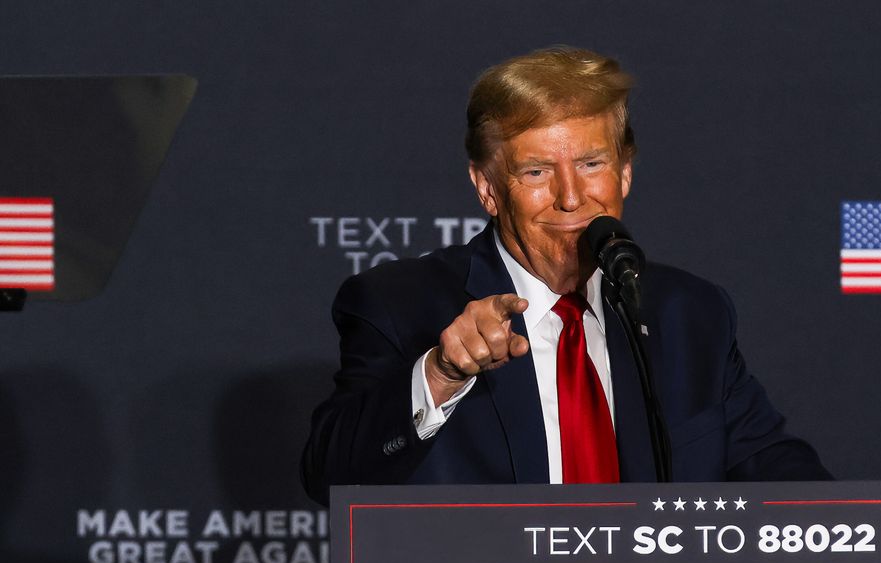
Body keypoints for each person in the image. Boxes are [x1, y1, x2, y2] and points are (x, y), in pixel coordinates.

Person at [301, 46, 830, 506]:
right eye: (536, 172)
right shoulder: (400, 304)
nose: (572, 197)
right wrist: (441, 374)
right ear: (487, 188)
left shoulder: (689, 312)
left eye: (592, 164)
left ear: (625, 171)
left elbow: (781, 476)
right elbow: (332, 478)